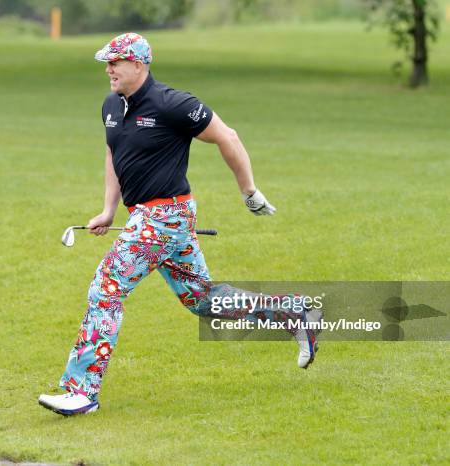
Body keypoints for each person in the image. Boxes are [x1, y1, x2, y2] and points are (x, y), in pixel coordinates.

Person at [39, 33, 321, 416]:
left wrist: (249, 192)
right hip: (147, 216)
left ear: (138, 64)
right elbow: (113, 153)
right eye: (107, 63)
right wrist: (109, 209)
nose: (108, 69)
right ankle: (291, 311)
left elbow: (228, 137)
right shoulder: (110, 105)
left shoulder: (173, 104)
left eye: (115, 62)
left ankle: (81, 390)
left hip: (166, 215)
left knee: (106, 288)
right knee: (201, 300)